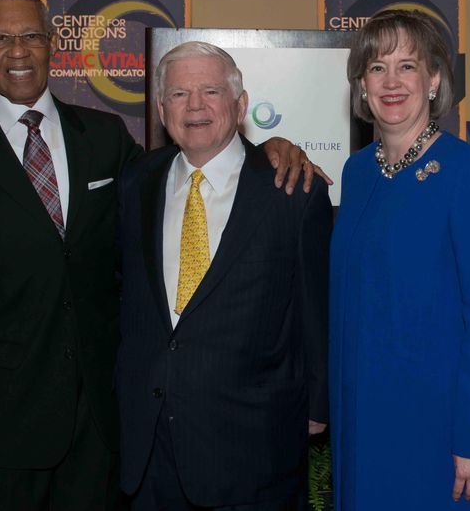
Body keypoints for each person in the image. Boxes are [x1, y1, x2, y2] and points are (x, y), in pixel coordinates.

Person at [0, 0, 318, 510]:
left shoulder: (105, 139)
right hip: (5, 429)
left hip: (105, 426)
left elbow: (205, 160)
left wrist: (270, 151)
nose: (18, 51)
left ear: (53, 44)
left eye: (31, 36)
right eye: (2, 38)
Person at [116, 41, 332, 511]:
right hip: (150, 451)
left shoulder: (292, 192)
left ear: (240, 104)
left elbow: (315, 311)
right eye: (178, 94)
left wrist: (318, 409)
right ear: (160, 108)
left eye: (210, 91)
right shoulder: (137, 183)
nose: (194, 105)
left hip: (253, 451)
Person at [329, 10, 470, 509]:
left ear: (434, 79)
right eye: (376, 67)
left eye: (407, 66)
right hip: (361, 417)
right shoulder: (357, 171)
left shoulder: (468, 174)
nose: (391, 82)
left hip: (439, 428)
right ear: (361, 85)